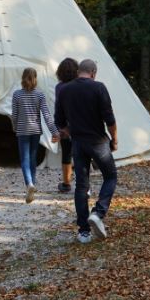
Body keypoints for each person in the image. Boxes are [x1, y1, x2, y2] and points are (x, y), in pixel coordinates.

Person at [54, 58, 117, 243]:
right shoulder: (99, 87)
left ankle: (83, 231)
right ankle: (98, 212)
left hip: (78, 144)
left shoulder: (64, 89)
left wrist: (69, 130)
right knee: (110, 176)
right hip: (98, 142)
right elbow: (110, 119)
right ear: (93, 73)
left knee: (81, 186)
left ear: (78, 71)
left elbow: (59, 121)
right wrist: (115, 139)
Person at [11, 67, 59, 203]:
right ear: (35, 78)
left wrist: (15, 127)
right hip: (36, 131)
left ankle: (29, 184)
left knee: (24, 160)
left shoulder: (17, 95)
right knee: (32, 159)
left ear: (23, 78)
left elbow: (14, 115)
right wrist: (54, 131)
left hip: (22, 131)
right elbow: (47, 116)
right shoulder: (40, 95)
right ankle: (32, 184)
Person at [54, 57, 79, 193]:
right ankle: (84, 184)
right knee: (81, 154)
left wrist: (60, 126)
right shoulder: (81, 85)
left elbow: (59, 108)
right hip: (81, 125)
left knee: (66, 154)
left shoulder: (59, 87)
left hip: (65, 126)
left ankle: (66, 183)